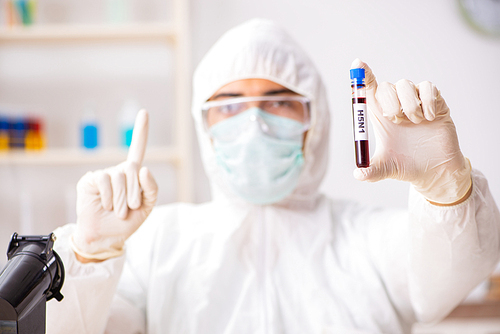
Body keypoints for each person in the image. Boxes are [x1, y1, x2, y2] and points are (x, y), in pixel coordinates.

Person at [47, 19, 500, 334]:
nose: (255, 122)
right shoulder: (158, 242)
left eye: (280, 101)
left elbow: (448, 276)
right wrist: (90, 257)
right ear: (203, 126)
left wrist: (445, 190)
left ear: (315, 120)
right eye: (229, 104)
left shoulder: (365, 237)